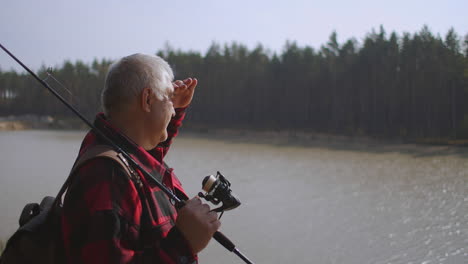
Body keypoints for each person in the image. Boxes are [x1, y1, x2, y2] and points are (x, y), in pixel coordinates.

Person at [61, 53, 220, 264]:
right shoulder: (107, 176)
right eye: (169, 99)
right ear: (147, 99)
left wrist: (176, 109)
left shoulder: (117, 154)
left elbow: (147, 158)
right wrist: (183, 245)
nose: (172, 110)